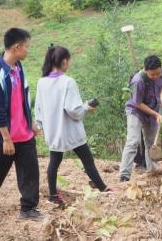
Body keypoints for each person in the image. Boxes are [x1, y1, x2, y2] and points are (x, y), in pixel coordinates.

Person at [0, 28, 43, 220]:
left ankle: (28, 208)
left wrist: (31, 123)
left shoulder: (18, 67)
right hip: (3, 136)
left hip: (24, 133)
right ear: (16, 47)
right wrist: (6, 138)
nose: (28, 50)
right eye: (26, 47)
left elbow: (23, 97)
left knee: (30, 172)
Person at [35, 45, 112, 205]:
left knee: (54, 161)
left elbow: (38, 109)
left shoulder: (42, 82)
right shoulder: (68, 82)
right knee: (87, 159)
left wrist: (42, 126)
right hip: (69, 130)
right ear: (64, 61)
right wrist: (86, 107)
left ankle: (53, 195)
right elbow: (74, 110)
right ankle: (102, 187)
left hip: (53, 130)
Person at [119, 55, 162, 182]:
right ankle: (124, 175)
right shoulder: (138, 81)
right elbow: (138, 103)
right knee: (133, 141)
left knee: (151, 143)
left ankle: (152, 171)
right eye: (152, 75)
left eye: (158, 73)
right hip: (135, 111)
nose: (156, 76)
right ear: (146, 70)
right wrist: (156, 114)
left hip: (153, 109)